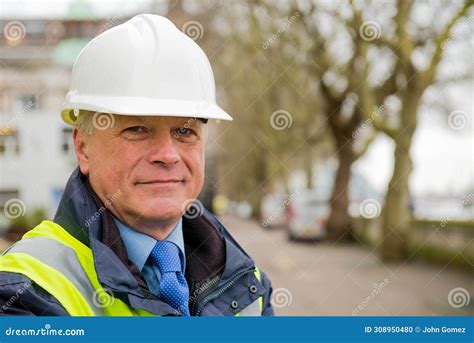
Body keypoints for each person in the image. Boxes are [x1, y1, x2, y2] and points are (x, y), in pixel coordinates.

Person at [0, 14, 274, 316]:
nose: (167, 155)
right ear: (83, 147)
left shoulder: (247, 283)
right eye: (137, 130)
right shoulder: (25, 292)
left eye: (185, 131)